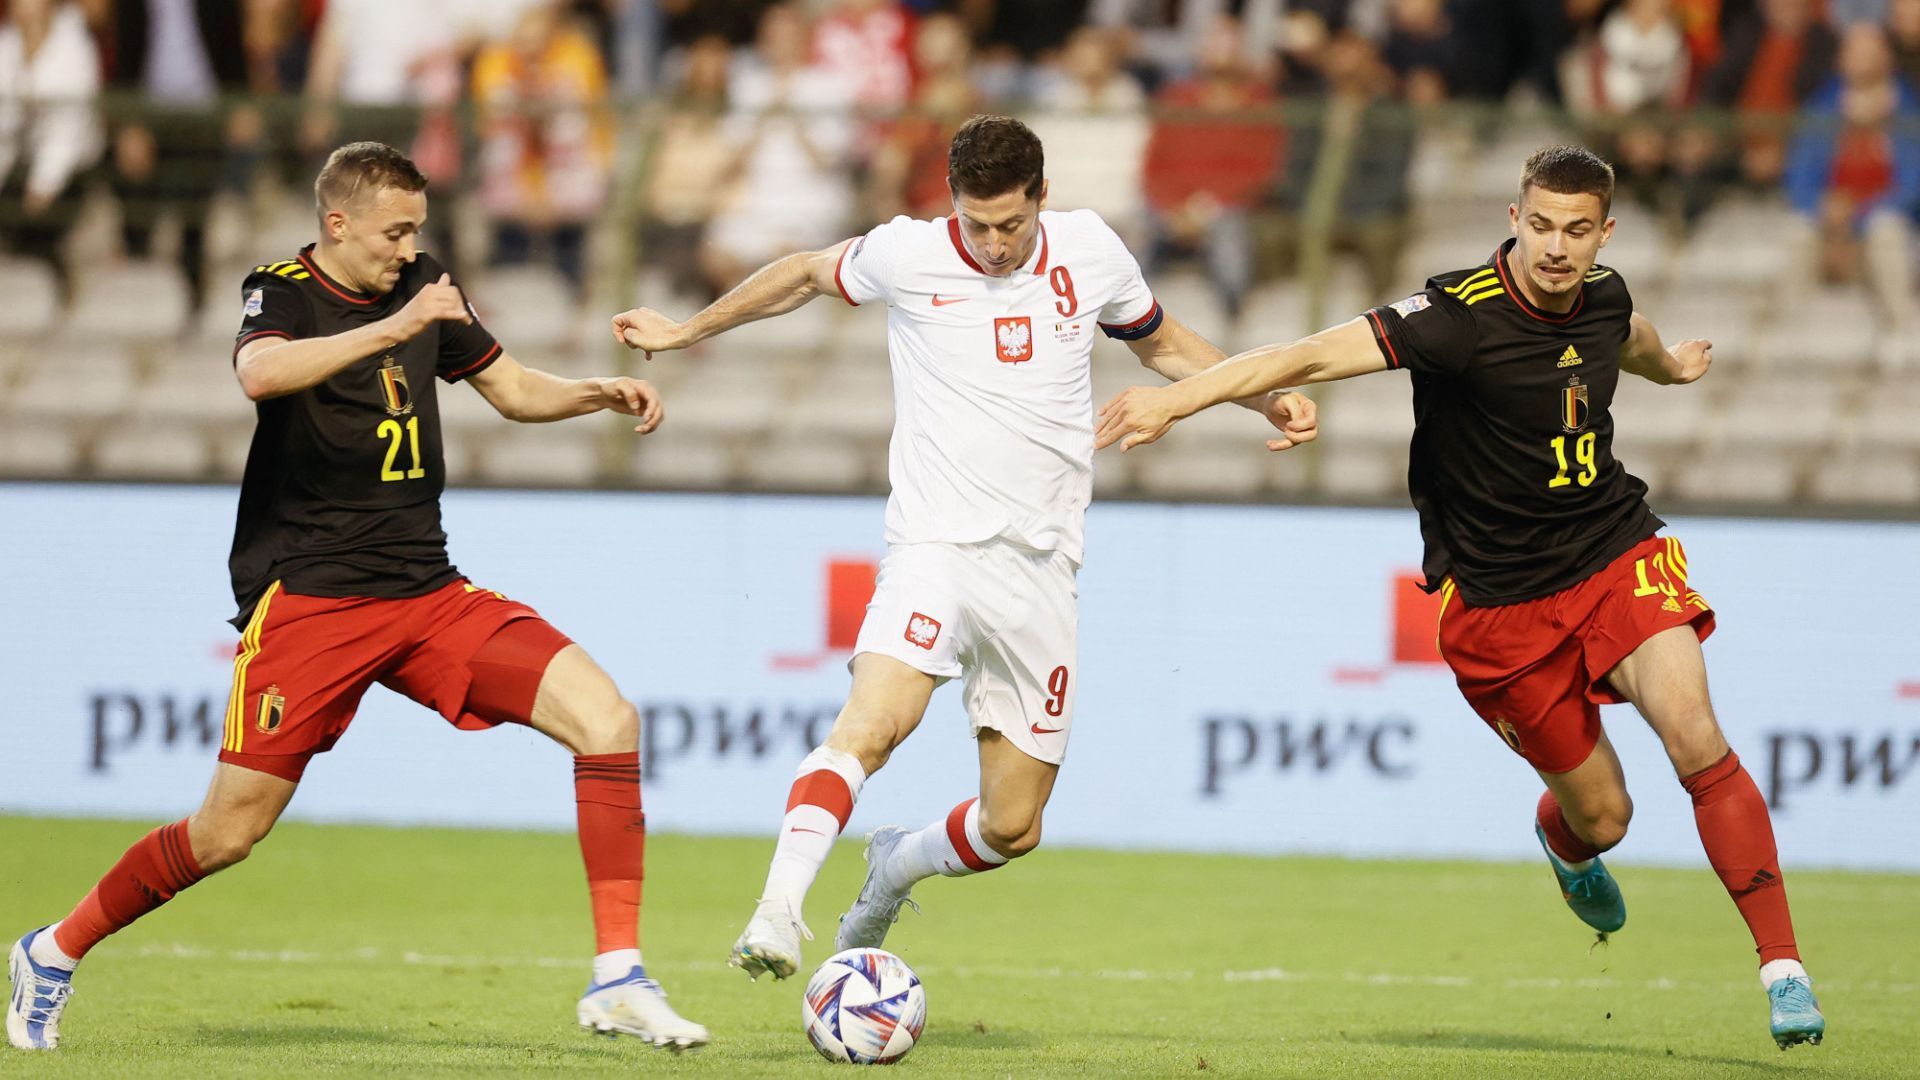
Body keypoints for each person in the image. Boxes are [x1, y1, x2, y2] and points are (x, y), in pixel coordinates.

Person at [1092, 145, 1826, 1051]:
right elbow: (1310, 355)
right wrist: (1182, 402)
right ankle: (1565, 842)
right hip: (1499, 607)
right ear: (1516, 219)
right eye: (1543, 226)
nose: (1558, 249)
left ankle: (1782, 969)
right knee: (1605, 816)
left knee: (1695, 732)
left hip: (1614, 550)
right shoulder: (1454, 318)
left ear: (1604, 232)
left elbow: (1627, 338)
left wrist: (1671, 366)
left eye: (1578, 231)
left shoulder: (1605, 295)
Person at [4, 143, 707, 1054]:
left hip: (427, 593)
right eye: (393, 231)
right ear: (337, 224)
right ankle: (52, 952)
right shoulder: (283, 288)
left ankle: (619, 976)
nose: (409, 248)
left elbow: (510, 389)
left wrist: (593, 396)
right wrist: (396, 324)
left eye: (418, 230)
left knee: (607, 718)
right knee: (225, 835)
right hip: (314, 605)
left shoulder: (423, 283)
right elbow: (261, 374)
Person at [609, 115, 1318, 981]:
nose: (991, 243)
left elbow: (1162, 343)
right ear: (953, 202)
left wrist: (1261, 397)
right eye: (976, 223)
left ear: (1043, 200)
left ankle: (894, 866)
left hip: (1043, 566)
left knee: (1013, 826)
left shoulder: (1091, 250)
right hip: (935, 546)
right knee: (872, 725)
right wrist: (684, 332)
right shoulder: (907, 253)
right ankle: (776, 912)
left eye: (1010, 225)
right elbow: (799, 275)